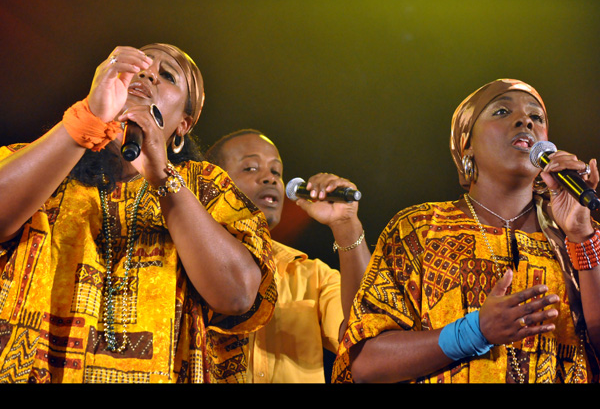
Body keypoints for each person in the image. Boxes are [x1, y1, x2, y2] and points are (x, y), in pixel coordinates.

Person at [0, 44, 275, 383]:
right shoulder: (44, 164)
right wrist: (87, 119)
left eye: (168, 74)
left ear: (183, 125)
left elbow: (236, 294)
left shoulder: (205, 188)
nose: (147, 73)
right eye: (140, 64)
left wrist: (162, 177)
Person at [332, 78, 600, 383]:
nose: (525, 120)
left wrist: (581, 235)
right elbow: (366, 363)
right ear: (466, 145)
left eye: (536, 117)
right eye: (501, 112)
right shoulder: (419, 229)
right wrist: (475, 331)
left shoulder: (582, 234)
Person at [205, 129, 371, 383]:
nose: (269, 179)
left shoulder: (312, 276)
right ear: (211, 184)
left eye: (276, 172)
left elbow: (367, 333)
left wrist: (346, 225)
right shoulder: (185, 263)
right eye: (250, 168)